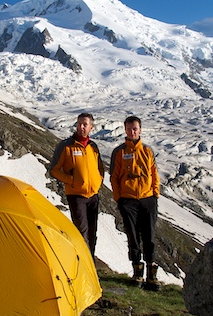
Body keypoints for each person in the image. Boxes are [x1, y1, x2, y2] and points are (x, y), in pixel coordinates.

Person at [110, 116, 161, 291]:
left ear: (140, 130)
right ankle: (137, 271)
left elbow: (154, 173)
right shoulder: (119, 152)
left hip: (148, 199)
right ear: (125, 130)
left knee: (149, 235)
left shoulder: (147, 151)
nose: (133, 131)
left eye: (136, 128)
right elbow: (114, 177)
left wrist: (155, 194)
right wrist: (119, 198)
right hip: (128, 200)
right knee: (132, 236)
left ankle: (151, 274)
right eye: (130, 128)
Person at [49, 113, 104, 257]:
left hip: (93, 195)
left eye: (85, 124)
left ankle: (90, 263)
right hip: (76, 195)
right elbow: (54, 170)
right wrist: (72, 181)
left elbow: (100, 168)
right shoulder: (66, 146)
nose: (81, 127)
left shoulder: (93, 147)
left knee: (92, 232)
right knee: (82, 231)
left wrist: (97, 182)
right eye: (79, 123)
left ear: (91, 127)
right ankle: (84, 263)